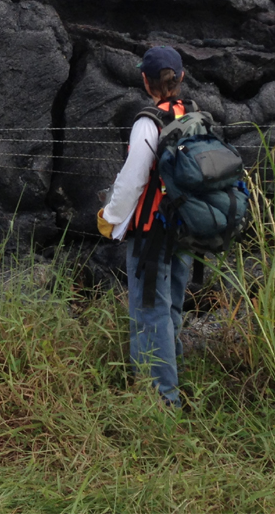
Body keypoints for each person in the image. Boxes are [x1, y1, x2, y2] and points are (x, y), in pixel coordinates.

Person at [97, 46, 192, 407]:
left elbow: (134, 177)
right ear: (180, 78)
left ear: (144, 81)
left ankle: (162, 401)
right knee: (170, 309)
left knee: (148, 311)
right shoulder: (191, 114)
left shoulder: (147, 122)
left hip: (153, 229)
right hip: (185, 227)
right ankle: (169, 377)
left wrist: (110, 217)